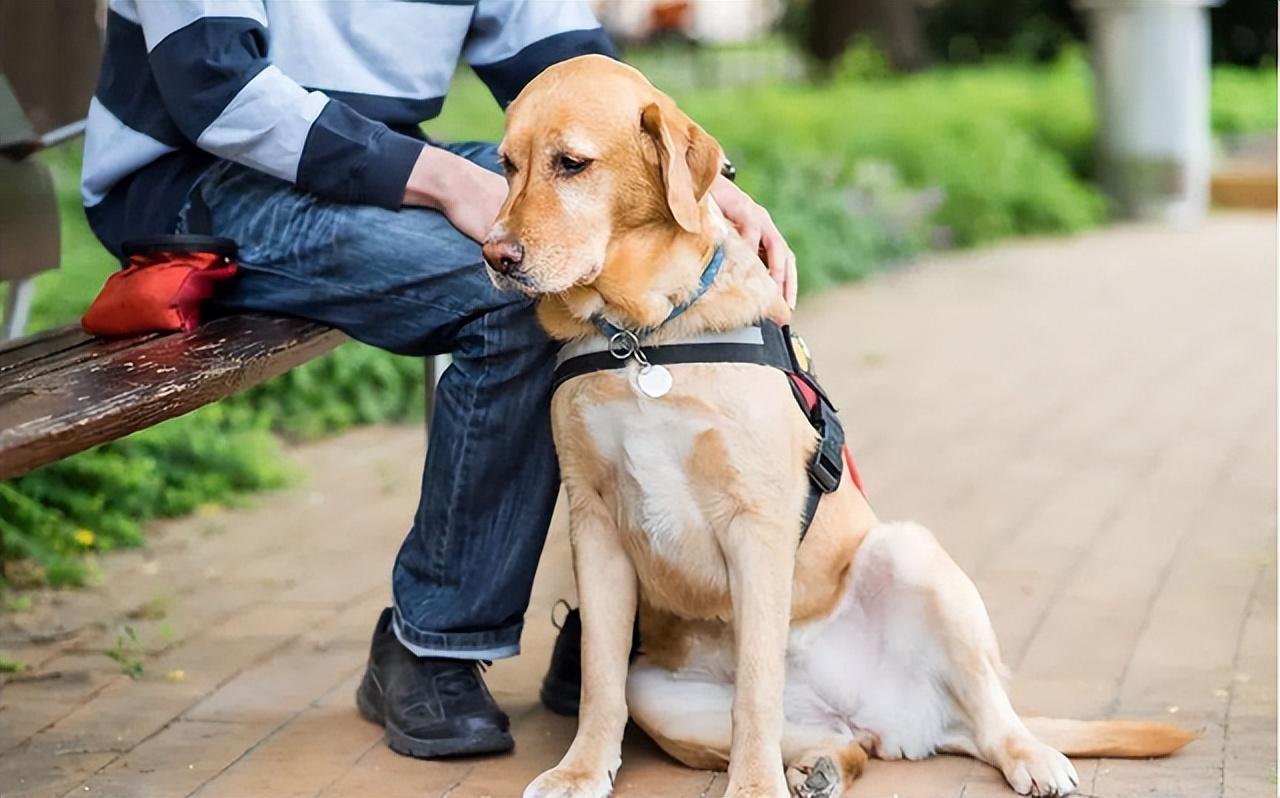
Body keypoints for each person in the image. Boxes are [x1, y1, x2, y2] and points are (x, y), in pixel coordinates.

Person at [82, 0, 797, 758]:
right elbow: (215, 88)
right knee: (518, 292)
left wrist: (695, 184)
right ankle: (432, 643)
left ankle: (630, 615)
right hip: (197, 178)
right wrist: (447, 182)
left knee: (642, 244)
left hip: (370, 156)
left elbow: (555, 48)